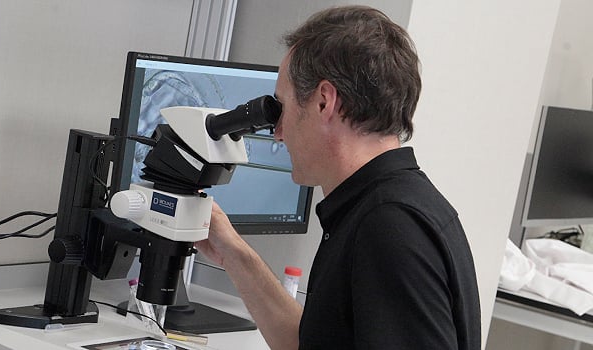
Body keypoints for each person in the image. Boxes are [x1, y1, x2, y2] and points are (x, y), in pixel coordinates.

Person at [195, 5, 481, 350]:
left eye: (281, 108)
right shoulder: (385, 205)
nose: (278, 133)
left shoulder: (389, 227)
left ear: (323, 102)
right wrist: (235, 255)